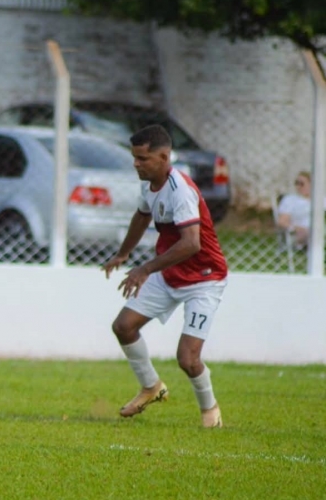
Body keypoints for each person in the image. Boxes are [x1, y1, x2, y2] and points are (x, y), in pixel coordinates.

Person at [101, 124, 228, 428]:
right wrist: (124, 253)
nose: (136, 164)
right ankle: (151, 386)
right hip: (170, 273)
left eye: (142, 159)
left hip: (203, 280)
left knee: (187, 358)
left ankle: (210, 411)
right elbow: (142, 215)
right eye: (134, 157)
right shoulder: (149, 183)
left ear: (163, 156)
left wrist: (145, 269)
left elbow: (191, 243)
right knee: (124, 326)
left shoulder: (180, 191)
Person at [276, 171, 311, 249]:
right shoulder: (290, 200)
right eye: (296, 183)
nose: (298, 186)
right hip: (300, 232)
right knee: (308, 233)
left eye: (302, 184)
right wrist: (296, 228)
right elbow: (282, 222)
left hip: (321, 230)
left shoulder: (322, 200)